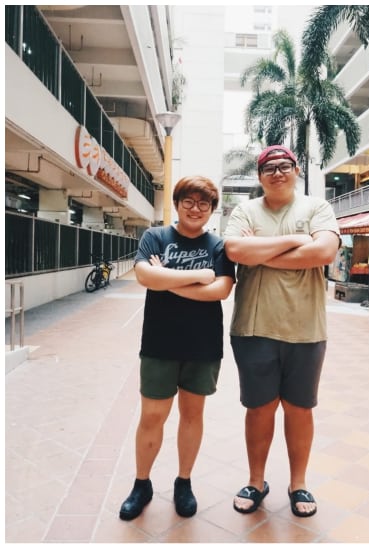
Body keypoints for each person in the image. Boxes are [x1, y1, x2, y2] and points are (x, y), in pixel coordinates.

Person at [223, 145, 340, 517]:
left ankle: (299, 483)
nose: (277, 172)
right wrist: (295, 241)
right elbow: (236, 250)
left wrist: (263, 254)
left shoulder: (317, 208)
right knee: (259, 409)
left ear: (296, 170)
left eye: (284, 165)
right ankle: (256, 481)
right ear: (259, 176)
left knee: (299, 408)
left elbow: (323, 253)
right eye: (269, 167)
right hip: (254, 328)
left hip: (306, 329)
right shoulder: (245, 210)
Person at [119, 176, 236, 520]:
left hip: (202, 346)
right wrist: (199, 275)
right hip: (159, 343)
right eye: (189, 201)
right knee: (152, 416)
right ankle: (142, 483)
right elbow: (144, 276)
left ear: (212, 210)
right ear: (177, 203)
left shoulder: (218, 245)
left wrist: (167, 280)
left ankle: (183, 482)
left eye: (203, 203)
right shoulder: (155, 237)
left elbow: (220, 291)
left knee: (192, 415)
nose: (195, 209)